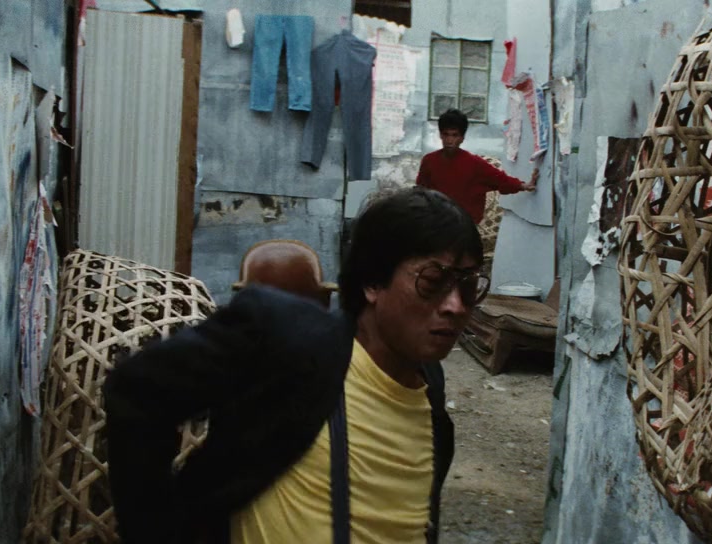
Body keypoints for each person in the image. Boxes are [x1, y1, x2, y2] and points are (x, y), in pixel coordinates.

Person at [103, 187, 489, 543]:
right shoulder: (289, 343)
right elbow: (137, 392)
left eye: (468, 285)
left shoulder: (429, 385)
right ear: (373, 282)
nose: (455, 306)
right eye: (432, 281)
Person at [416, 109, 537, 224]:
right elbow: (421, 190)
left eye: (454, 135)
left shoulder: (474, 163)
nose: (449, 140)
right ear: (441, 136)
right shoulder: (429, 161)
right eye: (446, 135)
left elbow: (501, 180)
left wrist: (524, 186)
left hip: (464, 226)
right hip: (436, 224)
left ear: (462, 138)